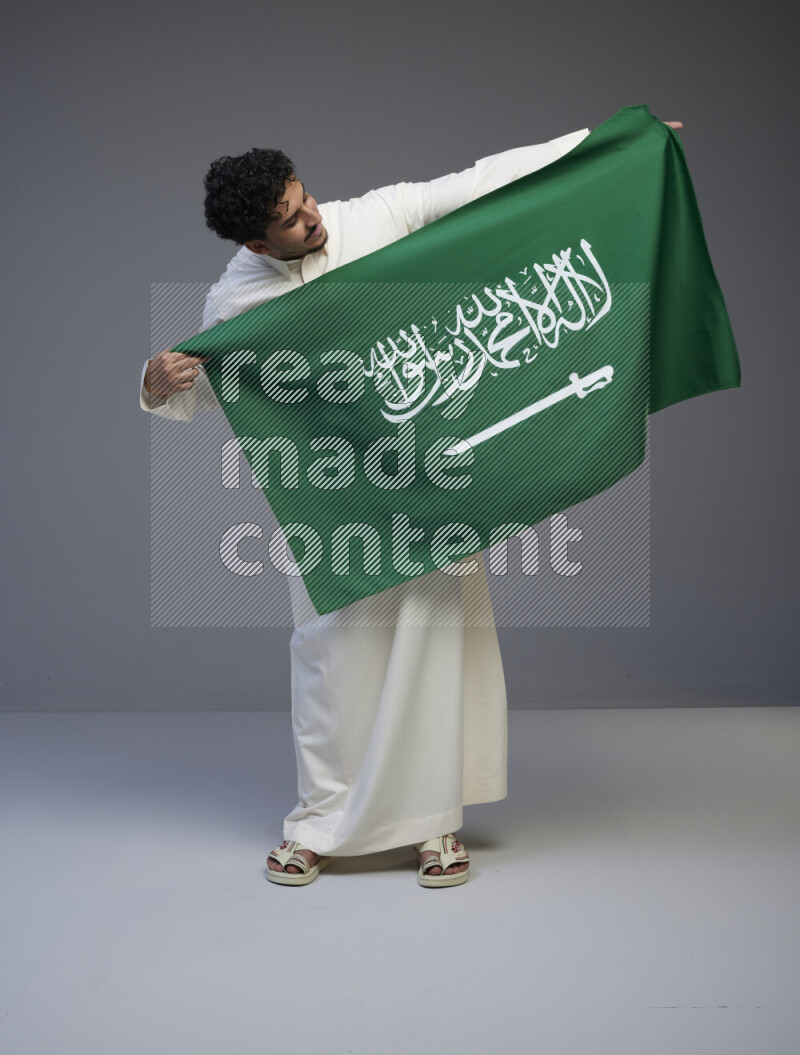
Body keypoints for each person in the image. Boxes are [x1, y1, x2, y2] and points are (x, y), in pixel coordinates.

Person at [140, 120, 683, 887]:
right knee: (330, 655)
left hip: (433, 481)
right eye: (291, 221)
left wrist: (613, 142)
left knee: (434, 646)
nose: (313, 218)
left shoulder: (377, 216)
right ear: (258, 245)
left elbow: (481, 179)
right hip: (332, 501)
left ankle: (434, 828)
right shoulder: (236, 299)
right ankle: (318, 823)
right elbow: (200, 385)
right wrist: (157, 381)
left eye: (306, 199)